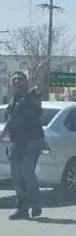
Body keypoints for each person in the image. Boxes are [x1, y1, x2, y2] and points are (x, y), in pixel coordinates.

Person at [0, 71, 44, 220]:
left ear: (26, 82)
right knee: (16, 177)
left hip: (32, 141)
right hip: (16, 142)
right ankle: (22, 208)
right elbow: (10, 122)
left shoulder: (32, 95)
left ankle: (35, 202)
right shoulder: (13, 101)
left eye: (20, 79)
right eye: (14, 80)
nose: (17, 81)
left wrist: (40, 72)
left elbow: (40, 87)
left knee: (26, 171)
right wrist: (2, 136)